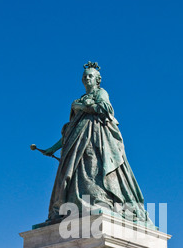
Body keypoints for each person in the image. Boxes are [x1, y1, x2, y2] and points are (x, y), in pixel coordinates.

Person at [40, 62, 153, 226]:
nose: (86, 78)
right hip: (75, 144)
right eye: (84, 76)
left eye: (90, 76)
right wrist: (53, 148)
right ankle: (77, 206)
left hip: (96, 138)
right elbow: (70, 130)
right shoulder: (78, 100)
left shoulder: (101, 93)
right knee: (73, 175)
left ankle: (99, 201)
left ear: (97, 79)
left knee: (94, 169)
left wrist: (83, 106)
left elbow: (105, 108)